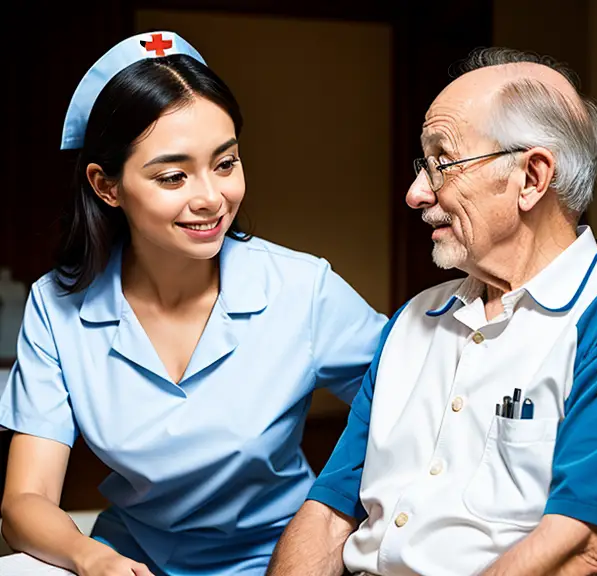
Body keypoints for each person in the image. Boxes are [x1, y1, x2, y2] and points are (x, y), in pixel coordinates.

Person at [0, 31, 387, 576]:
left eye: (225, 164)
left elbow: (417, 399)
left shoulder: (303, 289)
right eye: (173, 176)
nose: (210, 197)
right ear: (106, 186)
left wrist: (338, 508)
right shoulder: (57, 308)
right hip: (128, 560)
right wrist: (93, 559)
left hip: (279, 561)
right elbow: (24, 502)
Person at [267, 47, 597, 576]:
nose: (416, 193)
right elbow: (330, 514)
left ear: (532, 178)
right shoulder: (412, 320)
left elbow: (580, 547)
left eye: (443, 163)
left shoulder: (592, 320)